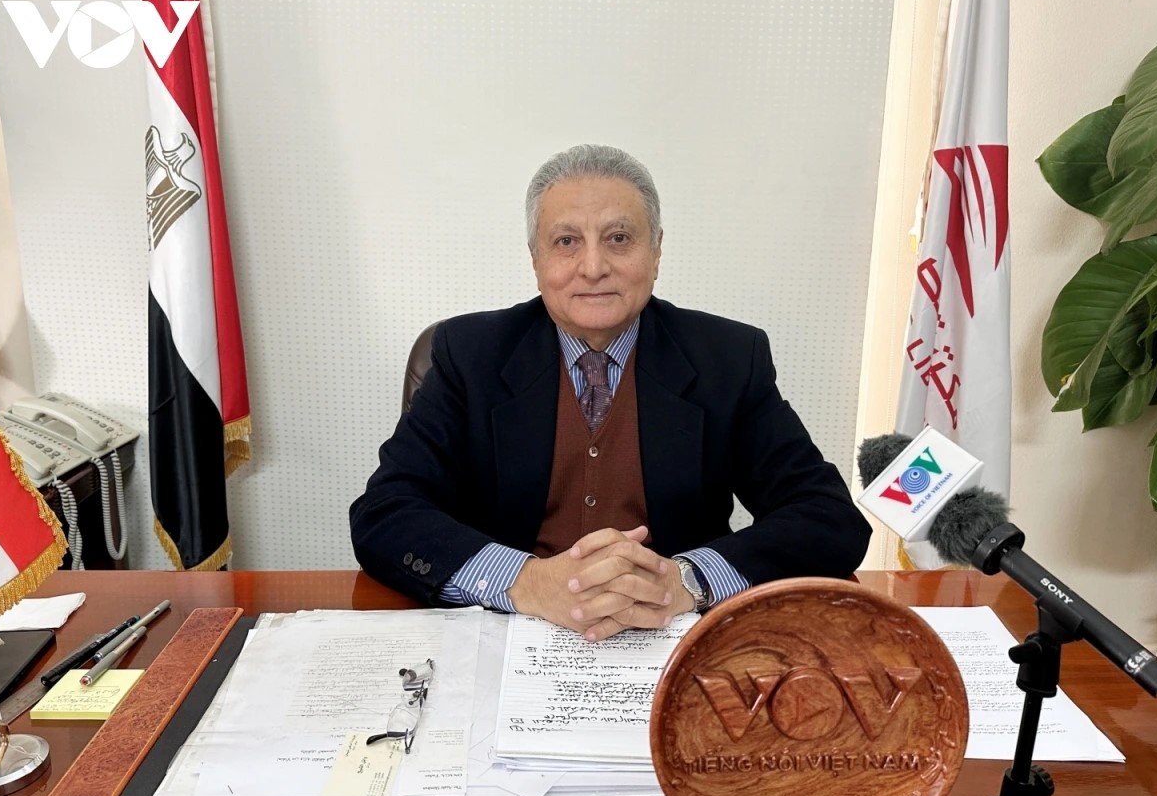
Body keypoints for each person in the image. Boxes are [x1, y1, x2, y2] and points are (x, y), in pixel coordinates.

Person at [351, 144, 869, 641]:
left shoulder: (728, 359)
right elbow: (385, 513)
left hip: (673, 639)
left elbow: (827, 517)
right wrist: (525, 581)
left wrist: (686, 581)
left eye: (619, 238)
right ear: (535, 258)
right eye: (566, 241)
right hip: (509, 635)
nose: (593, 266)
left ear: (656, 250)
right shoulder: (470, 354)